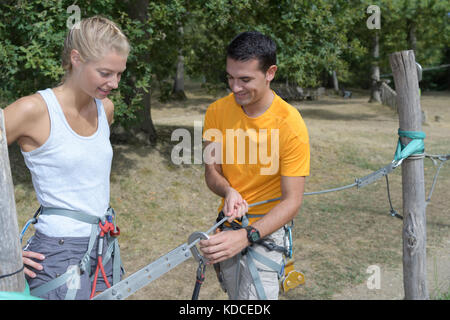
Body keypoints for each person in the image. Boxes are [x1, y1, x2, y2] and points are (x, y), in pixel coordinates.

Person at [3, 16, 129, 300]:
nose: (115, 83)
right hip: (58, 254)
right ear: (76, 59)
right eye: (106, 73)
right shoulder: (32, 110)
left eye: (119, 73)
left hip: (104, 247)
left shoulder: (104, 109)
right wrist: (3, 253)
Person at [199, 31, 310, 300]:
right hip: (229, 227)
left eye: (245, 79)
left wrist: (247, 236)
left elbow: (292, 201)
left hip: (266, 234)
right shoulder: (216, 111)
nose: (235, 87)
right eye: (230, 77)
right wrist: (228, 191)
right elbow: (211, 171)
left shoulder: (290, 124)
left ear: (270, 72)